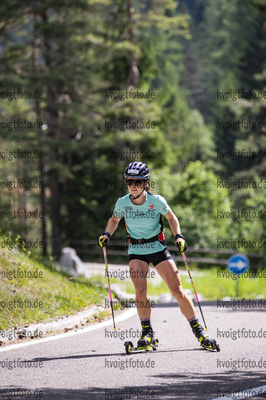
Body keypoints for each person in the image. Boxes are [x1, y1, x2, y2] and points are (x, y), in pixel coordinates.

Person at [98, 161, 218, 350]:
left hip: (158, 249)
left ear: (146, 183)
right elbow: (114, 219)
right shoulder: (122, 203)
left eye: (138, 181)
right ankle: (147, 333)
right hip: (136, 250)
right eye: (130, 181)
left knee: (177, 290)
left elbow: (171, 217)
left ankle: (199, 331)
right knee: (140, 292)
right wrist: (106, 234)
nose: (133, 185)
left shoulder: (157, 201)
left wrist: (179, 236)